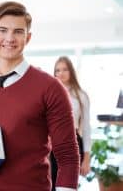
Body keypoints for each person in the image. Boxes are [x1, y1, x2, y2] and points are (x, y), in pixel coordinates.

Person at [0, 1, 80, 191]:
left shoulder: (51, 87)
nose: (10, 38)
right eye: (2, 30)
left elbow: (67, 156)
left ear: (28, 38)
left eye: (18, 31)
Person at [51, 56, 91, 191]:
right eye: (57, 70)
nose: (60, 73)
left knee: (67, 185)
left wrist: (87, 158)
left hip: (72, 142)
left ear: (71, 71)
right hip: (51, 143)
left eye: (64, 69)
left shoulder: (81, 95)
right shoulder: (49, 94)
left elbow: (86, 128)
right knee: (49, 184)